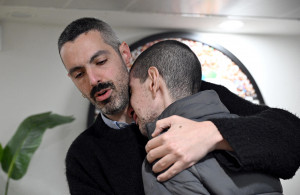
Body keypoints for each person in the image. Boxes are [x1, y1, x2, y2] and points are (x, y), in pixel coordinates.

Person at [57, 17, 300, 194]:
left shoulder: (198, 93)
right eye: (79, 74)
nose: (93, 80)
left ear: (124, 53)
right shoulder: (84, 156)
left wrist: (212, 134)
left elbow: (292, 138)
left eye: (100, 61)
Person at [129, 39, 283, 195]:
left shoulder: (167, 152)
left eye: (132, 91)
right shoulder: (254, 138)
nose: (130, 106)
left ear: (153, 81)